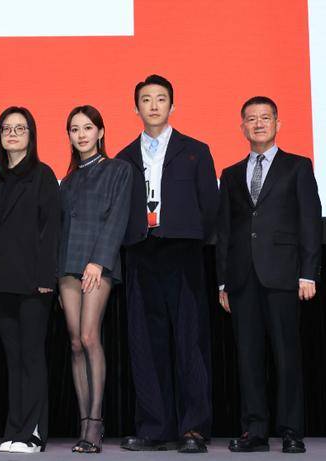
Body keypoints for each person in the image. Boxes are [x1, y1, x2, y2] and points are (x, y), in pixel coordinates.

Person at [116, 75, 219, 454]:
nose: (154, 105)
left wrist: (188, 236)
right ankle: (156, 427)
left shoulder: (195, 151)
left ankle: (194, 428)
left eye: (161, 99)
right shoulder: (125, 157)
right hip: (141, 253)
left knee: (190, 340)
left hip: (183, 252)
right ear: (136, 108)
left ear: (172, 106)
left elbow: (211, 208)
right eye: (146, 99)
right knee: (146, 342)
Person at [216, 96, 321, 454]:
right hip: (242, 278)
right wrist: (223, 280)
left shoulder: (298, 166)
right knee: (248, 357)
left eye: (265, 118)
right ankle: (255, 431)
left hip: (284, 275)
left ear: (278, 124)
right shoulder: (231, 174)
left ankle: (291, 431)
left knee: (286, 355)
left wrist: (308, 273)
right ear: (242, 127)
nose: (258, 124)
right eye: (251, 119)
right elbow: (224, 232)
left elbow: (310, 222)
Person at [0, 107, 60, 454]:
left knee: (31, 357)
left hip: (32, 283)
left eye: (19, 128)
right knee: (13, 360)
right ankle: (15, 430)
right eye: (6, 129)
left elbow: (51, 230)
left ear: (31, 135)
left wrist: (45, 277)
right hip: (0, 283)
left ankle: (33, 434)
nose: (12, 134)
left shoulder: (43, 175)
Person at [58, 105, 131, 453]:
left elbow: (118, 218)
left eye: (88, 128)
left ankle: (96, 422)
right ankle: (83, 420)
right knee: (75, 342)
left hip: (98, 265)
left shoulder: (119, 170)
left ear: (100, 132)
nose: (81, 134)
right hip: (67, 265)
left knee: (89, 336)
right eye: (75, 129)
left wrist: (98, 262)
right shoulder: (68, 180)